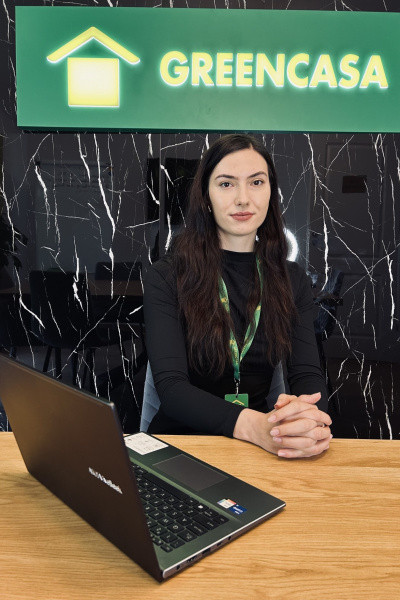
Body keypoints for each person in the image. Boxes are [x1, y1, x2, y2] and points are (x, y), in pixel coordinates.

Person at [143, 134, 332, 459]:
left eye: (256, 182)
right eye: (226, 184)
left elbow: (307, 376)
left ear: (270, 192)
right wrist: (257, 427)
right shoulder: (167, 275)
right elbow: (173, 390)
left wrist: (306, 419)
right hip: (181, 446)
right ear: (206, 197)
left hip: (261, 447)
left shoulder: (292, 279)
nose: (243, 199)